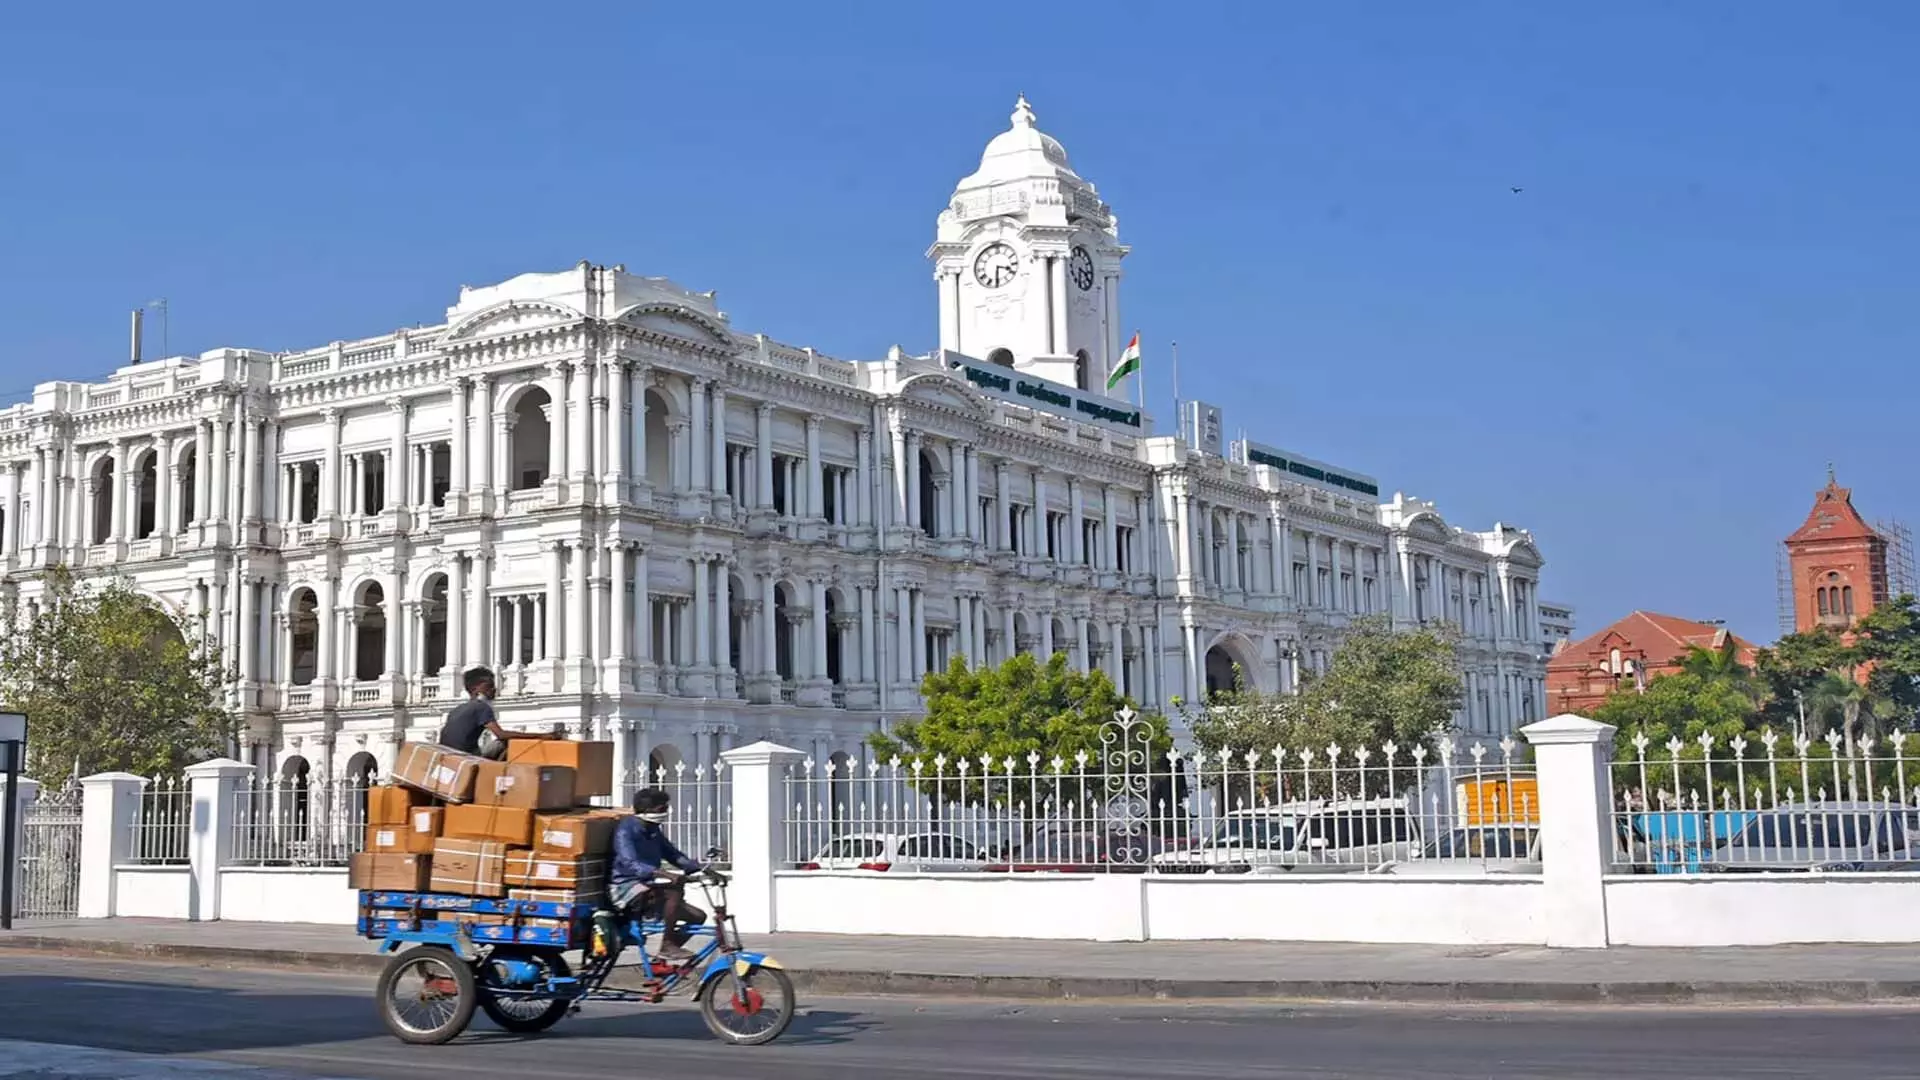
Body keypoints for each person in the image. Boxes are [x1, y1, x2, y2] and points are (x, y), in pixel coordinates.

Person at [608, 787, 706, 962]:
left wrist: (703, 869)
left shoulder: (653, 830)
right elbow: (630, 863)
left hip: (646, 885)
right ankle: (667, 945)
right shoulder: (626, 830)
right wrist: (664, 873)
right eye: (662, 809)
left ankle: (661, 959)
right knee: (673, 891)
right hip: (626, 886)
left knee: (698, 917)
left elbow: (672, 854)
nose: (666, 813)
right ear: (648, 810)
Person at [437, 666, 558, 759]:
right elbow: (501, 734)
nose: (494, 690)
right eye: (489, 686)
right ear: (475, 690)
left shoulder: (456, 710)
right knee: (505, 743)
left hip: (448, 755)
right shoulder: (481, 707)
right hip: (467, 757)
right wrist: (541, 736)